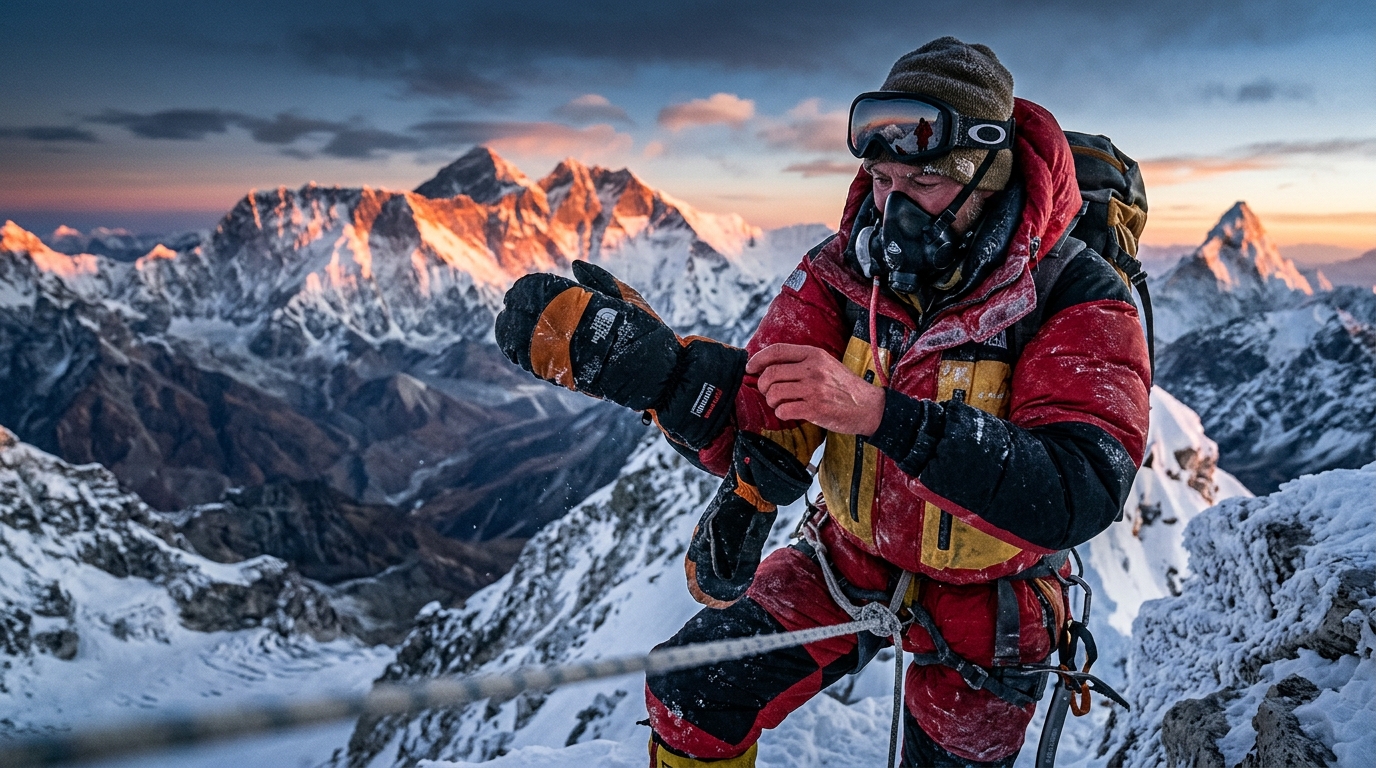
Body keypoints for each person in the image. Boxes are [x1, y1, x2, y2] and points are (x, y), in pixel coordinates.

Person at [495, 36, 1150, 768]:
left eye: (923, 182)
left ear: (986, 180)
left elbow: (1078, 487)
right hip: (851, 559)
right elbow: (766, 416)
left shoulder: (1076, 295)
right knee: (694, 695)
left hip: (994, 595)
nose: (894, 206)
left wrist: (879, 415)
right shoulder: (843, 271)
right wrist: (665, 379)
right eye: (882, 178)